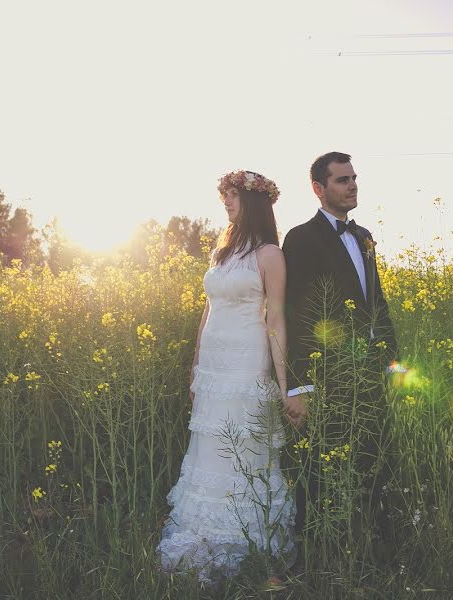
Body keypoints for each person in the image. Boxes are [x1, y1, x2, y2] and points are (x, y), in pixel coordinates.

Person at [157, 170, 295, 582]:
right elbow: (208, 310)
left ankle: (245, 542)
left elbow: (276, 318)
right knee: (210, 444)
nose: (226, 204)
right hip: (214, 367)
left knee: (242, 444)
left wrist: (285, 384)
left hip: (247, 363)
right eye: (225, 197)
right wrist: (197, 363)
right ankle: (203, 534)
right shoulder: (222, 253)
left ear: (252, 203)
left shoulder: (270, 254)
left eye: (232, 197)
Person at [281, 151, 398, 536]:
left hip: (368, 367)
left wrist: (393, 364)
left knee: (371, 457)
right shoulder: (300, 238)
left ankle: (368, 541)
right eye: (342, 180)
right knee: (318, 465)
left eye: (354, 178)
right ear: (319, 188)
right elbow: (295, 313)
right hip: (327, 370)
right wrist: (299, 385)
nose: (352, 186)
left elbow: (376, 303)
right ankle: (314, 548)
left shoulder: (364, 237)